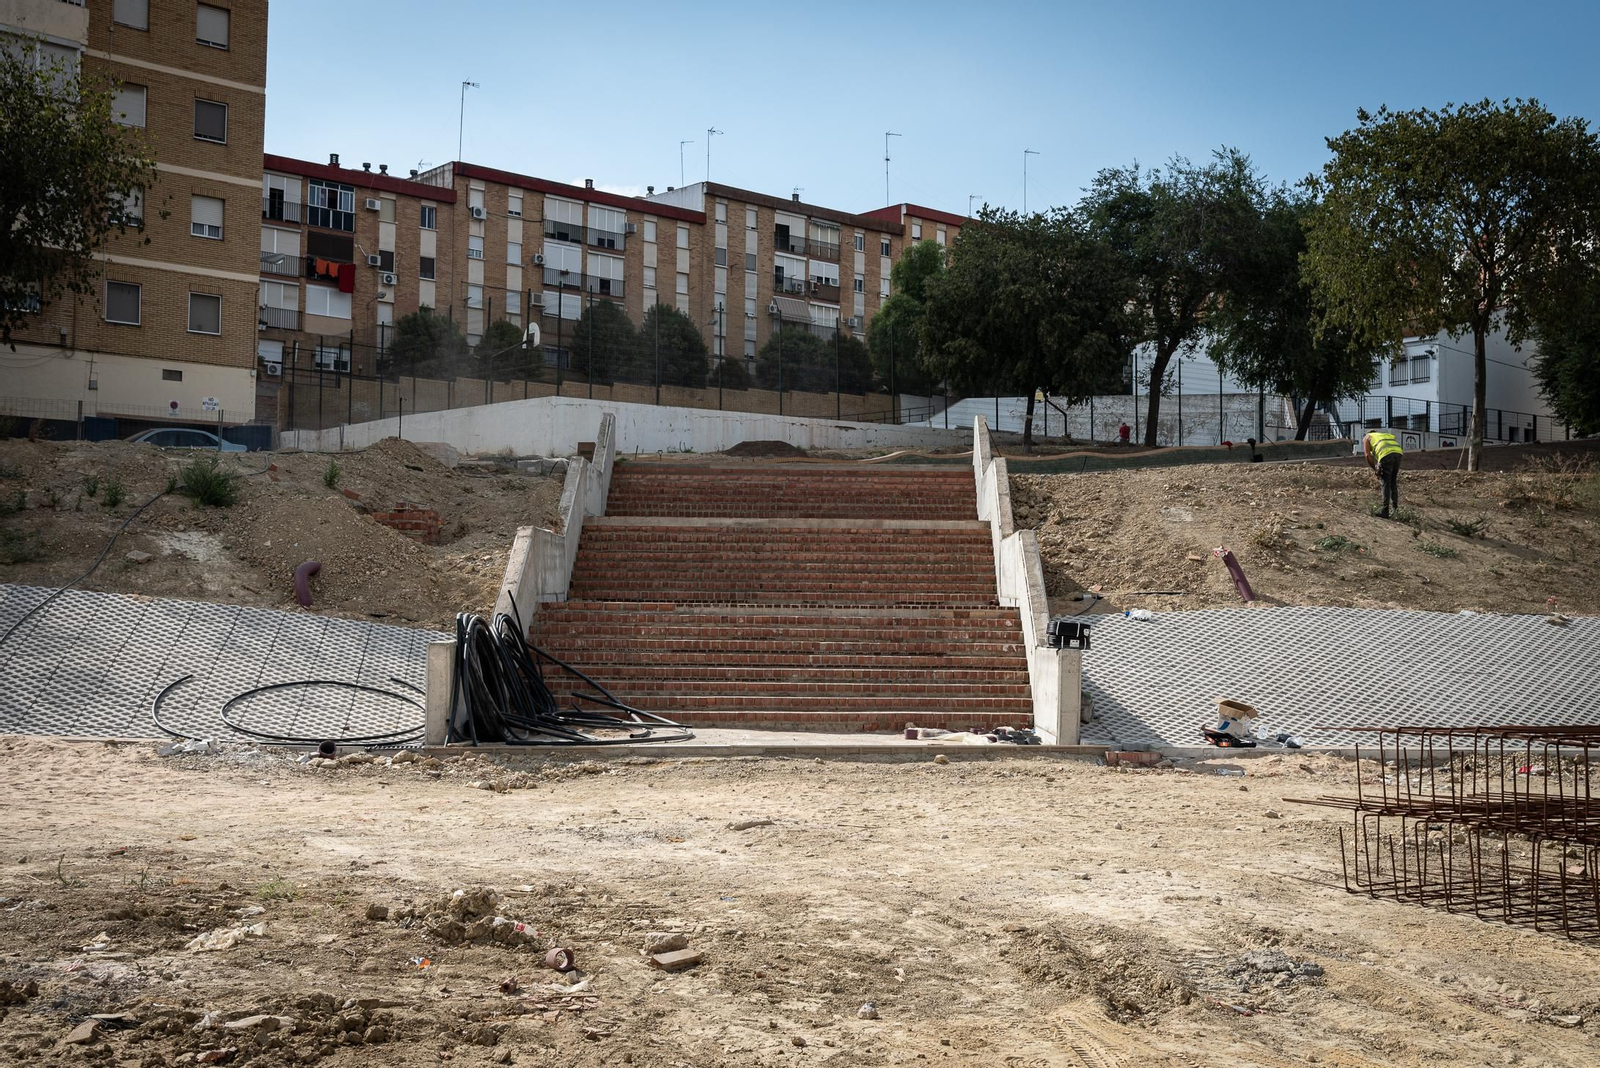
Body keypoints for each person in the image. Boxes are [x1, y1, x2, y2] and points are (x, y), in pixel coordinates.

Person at [1363, 429, 1404, 518]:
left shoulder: (1367, 437)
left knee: (1385, 482)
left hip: (1386, 454)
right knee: (1393, 482)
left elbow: (1367, 455)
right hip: (1398, 453)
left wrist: (1375, 469)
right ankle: (1395, 511)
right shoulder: (1383, 435)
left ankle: (1385, 511)